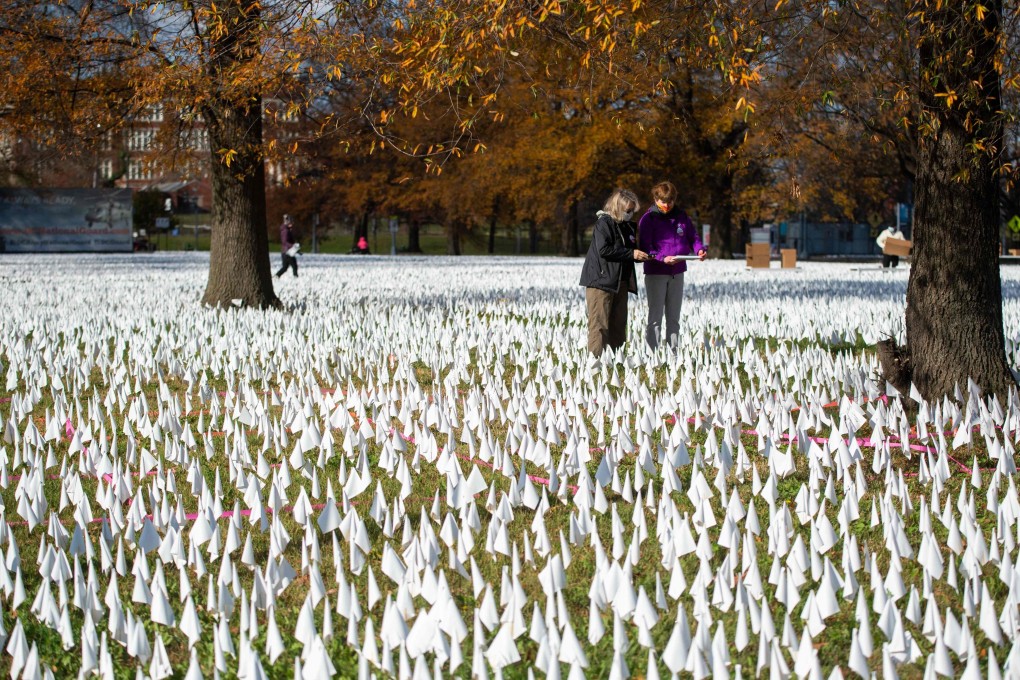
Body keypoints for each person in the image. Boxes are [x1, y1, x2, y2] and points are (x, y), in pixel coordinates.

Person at [579, 189, 650, 357]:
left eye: (633, 211)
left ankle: (616, 359)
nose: (631, 214)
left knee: (619, 323)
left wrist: (642, 255)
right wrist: (631, 254)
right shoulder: (604, 223)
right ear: (618, 208)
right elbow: (604, 249)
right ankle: (595, 361)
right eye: (628, 211)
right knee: (599, 323)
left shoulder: (628, 227)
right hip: (601, 281)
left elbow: (629, 251)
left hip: (621, 281)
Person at [636, 181, 706, 349]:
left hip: (678, 272)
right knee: (655, 316)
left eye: (670, 201)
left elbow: (693, 236)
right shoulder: (647, 219)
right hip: (656, 273)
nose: (666, 205)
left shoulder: (681, 216)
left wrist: (699, 250)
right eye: (663, 202)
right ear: (655, 199)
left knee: (674, 316)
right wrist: (662, 258)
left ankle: (673, 352)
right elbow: (647, 247)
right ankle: (652, 353)